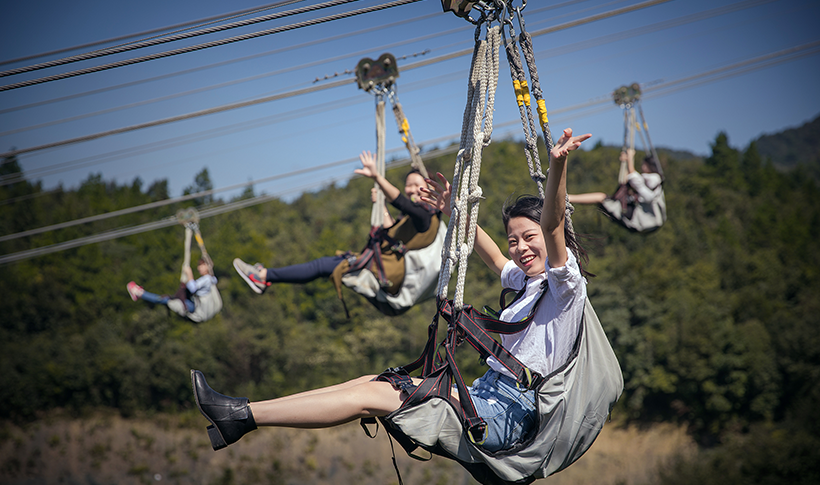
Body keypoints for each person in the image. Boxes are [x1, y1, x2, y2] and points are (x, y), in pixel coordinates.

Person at [191, 128, 592, 453]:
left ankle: (243, 416)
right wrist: (453, 206)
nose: (520, 249)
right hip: (482, 396)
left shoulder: (564, 287)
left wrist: (557, 166)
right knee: (372, 381)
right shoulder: (524, 282)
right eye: (513, 241)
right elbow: (486, 253)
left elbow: (555, 225)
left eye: (528, 238)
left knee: (376, 396)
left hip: (508, 415)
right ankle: (240, 414)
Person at [233, 150, 441, 304]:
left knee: (321, 266)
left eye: (417, 185)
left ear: (430, 189)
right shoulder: (413, 218)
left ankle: (263, 277)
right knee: (322, 266)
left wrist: (378, 177)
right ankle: (265, 276)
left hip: (382, 273)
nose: (411, 189)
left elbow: (402, 202)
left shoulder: (426, 216)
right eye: (409, 185)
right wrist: (381, 206)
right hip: (382, 269)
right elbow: (392, 231)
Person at [127, 227, 222, 323]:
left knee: (166, 300)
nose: (199, 268)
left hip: (195, 307)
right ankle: (140, 293)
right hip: (195, 305)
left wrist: (189, 274)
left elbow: (193, 287)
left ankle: (139, 293)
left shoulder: (207, 279)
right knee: (166, 300)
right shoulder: (211, 279)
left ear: (207, 266)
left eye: (201, 265)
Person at [568, 148, 663, 205]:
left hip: (635, 210)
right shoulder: (647, 178)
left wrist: (630, 158)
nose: (642, 167)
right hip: (632, 205)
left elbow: (635, 178)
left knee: (601, 197)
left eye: (644, 165)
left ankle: (569, 198)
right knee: (601, 198)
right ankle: (569, 198)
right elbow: (628, 179)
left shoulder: (655, 178)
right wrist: (626, 161)